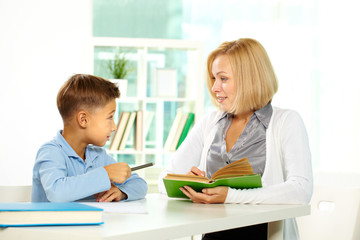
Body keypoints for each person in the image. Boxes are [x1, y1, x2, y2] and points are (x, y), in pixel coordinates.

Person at [158, 38, 313, 239]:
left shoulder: (286, 121)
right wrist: (192, 183)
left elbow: (301, 191)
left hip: (262, 234)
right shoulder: (210, 122)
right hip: (213, 233)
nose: (214, 88)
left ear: (250, 79)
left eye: (223, 79)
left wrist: (229, 195)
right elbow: (165, 180)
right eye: (213, 79)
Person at [32, 74, 148, 202]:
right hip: (52, 222)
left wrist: (122, 193)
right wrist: (106, 174)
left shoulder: (98, 156)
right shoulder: (51, 152)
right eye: (110, 117)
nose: (114, 127)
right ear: (83, 119)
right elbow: (57, 193)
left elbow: (140, 184)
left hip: (89, 222)